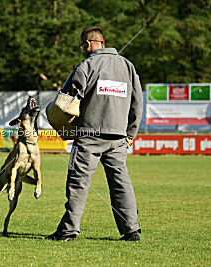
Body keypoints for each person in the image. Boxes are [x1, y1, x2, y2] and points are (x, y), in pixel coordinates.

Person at [46, 27, 143, 241]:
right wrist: (130, 134)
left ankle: (68, 231)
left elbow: (65, 102)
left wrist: (63, 126)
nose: (82, 50)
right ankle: (131, 230)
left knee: (78, 183)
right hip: (118, 137)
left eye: (82, 46)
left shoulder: (86, 65)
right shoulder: (128, 66)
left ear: (89, 44)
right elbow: (138, 103)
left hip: (89, 135)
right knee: (120, 183)